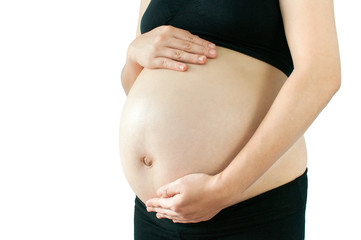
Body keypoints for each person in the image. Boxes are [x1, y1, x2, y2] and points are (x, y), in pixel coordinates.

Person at [119, 0, 341, 239]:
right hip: (154, 213)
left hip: (246, 208)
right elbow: (137, 84)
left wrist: (224, 188)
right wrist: (133, 55)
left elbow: (320, 74)